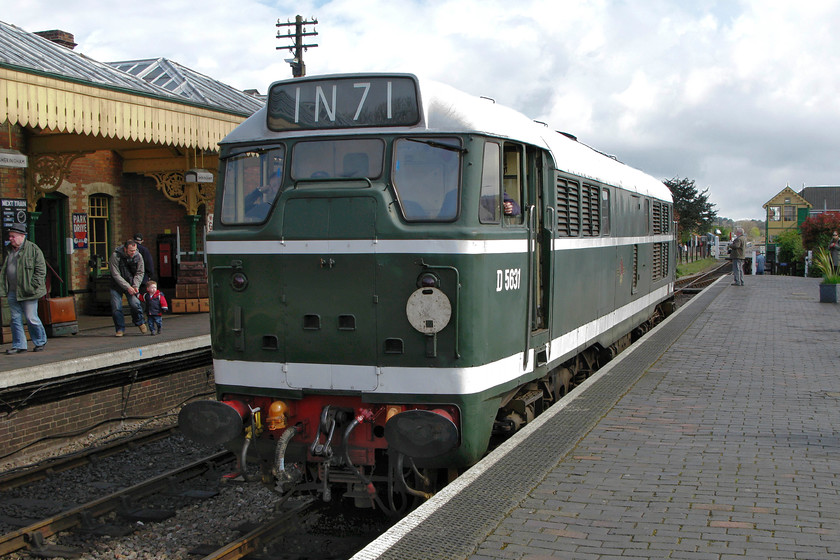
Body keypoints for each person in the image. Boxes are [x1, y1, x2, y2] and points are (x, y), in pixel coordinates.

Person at [0, 223, 48, 353]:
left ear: (22, 236)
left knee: (31, 317)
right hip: (12, 290)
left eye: (13, 236)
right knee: (15, 318)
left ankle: (40, 341)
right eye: (10, 236)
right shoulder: (8, 250)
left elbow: (41, 270)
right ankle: (19, 345)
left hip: (28, 291)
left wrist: (33, 286)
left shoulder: (33, 249)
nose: (10, 239)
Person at [110, 239, 146, 336]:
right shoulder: (115, 256)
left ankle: (139, 321)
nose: (133, 253)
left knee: (135, 304)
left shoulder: (138, 256)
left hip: (132, 283)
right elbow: (115, 274)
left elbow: (140, 272)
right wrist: (127, 287)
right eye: (131, 251)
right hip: (117, 285)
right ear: (125, 249)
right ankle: (120, 329)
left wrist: (135, 286)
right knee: (116, 307)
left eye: (134, 250)